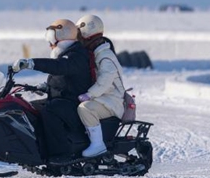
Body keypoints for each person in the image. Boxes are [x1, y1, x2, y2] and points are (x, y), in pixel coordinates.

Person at [12, 18, 94, 161]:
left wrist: (32, 63)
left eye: (52, 40)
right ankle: (38, 149)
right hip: (63, 99)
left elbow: (60, 67)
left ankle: (60, 155)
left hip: (75, 103)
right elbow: (62, 79)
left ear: (62, 38)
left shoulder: (77, 55)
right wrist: (45, 87)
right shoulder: (67, 54)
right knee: (31, 108)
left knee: (50, 110)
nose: (50, 45)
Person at [75, 14, 126, 157]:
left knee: (85, 108)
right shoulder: (97, 54)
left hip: (111, 102)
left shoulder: (105, 56)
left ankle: (98, 145)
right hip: (104, 99)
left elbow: (105, 81)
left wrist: (89, 94)